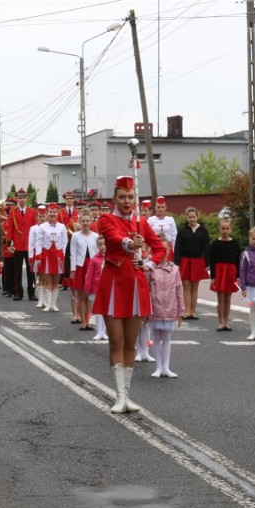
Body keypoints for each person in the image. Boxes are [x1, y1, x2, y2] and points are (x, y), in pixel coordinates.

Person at [93, 176, 166, 414]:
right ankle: (119, 396)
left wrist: (149, 265)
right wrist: (129, 243)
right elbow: (112, 237)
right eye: (122, 197)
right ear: (114, 198)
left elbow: (161, 248)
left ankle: (127, 394)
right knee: (116, 341)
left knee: (131, 343)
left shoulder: (141, 223)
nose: (126, 201)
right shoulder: (106, 219)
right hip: (113, 284)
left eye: (130, 197)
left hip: (135, 285)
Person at [148, 235, 184, 378]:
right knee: (156, 338)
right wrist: (145, 311)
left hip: (170, 307)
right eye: (159, 249)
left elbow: (179, 290)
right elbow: (146, 290)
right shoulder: (150, 269)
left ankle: (166, 367)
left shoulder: (174, 269)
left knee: (167, 338)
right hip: (155, 308)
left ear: (169, 251)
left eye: (165, 249)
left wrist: (181, 311)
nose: (162, 252)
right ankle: (158, 367)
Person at [173, 207, 211, 320]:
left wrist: (208, 263)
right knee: (186, 286)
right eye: (189, 217)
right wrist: (177, 263)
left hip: (198, 261)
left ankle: (193, 312)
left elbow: (207, 247)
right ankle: (187, 311)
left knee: (195, 286)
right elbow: (178, 247)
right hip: (185, 260)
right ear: (187, 218)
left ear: (197, 217)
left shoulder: (203, 230)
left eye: (194, 217)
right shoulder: (182, 230)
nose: (192, 219)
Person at [209, 218, 241, 331]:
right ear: (219, 229)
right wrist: (212, 277)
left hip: (231, 271)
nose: (225, 231)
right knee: (220, 298)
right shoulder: (215, 243)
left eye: (227, 228)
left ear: (230, 229)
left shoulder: (235, 243)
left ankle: (226, 322)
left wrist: (238, 276)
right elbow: (212, 261)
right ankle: (220, 322)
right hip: (219, 271)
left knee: (228, 298)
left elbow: (238, 261)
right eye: (223, 228)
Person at [69, 209, 99, 331]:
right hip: (80, 266)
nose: (85, 223)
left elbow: (98, 254)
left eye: (87, 221)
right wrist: (72, 270)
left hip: (92, 266)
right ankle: (83, 322)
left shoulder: (96, 236)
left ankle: (89, 320)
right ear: (80, 222)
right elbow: (73, 253)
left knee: (90, 296)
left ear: (91, 222)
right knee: (81, 296)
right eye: (83, 221)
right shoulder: (75, 236)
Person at [7, 188, 38, 302]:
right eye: (20, 198)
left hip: (29, 244)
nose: (22, 200)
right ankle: (18, 292)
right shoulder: (13, 211)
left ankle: (32, 292)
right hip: (18, 244)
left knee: (31, 269)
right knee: (17, 270)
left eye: (23, 197)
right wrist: (9, 243)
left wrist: (35, 243)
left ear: (26, 198)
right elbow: (10, 228)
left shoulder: (32, 212)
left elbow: (35, 228)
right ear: (17, 199)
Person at [36, 203, 68, 312]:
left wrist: (64, 256)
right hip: (46, 255)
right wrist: (39, 256)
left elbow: (64, 242)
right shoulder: (42, 227)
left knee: (56, 280)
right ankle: (48, 304)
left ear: (57, 213)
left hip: (58, 255)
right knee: (48, 280)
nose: (52, 214)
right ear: (47, 213)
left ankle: (54, 304)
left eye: (54, 212)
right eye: (50, 212)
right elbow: (39, 241)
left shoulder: (62, 227)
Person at [84, 236, 108, 341]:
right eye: (100, 244)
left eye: (104, 244)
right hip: (96, 288)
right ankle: (99, 332)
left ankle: (105, 331)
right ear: (97, 246)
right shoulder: (94, 259)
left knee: (106, 311)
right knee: (98, 311)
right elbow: (89, 275)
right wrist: (87, 288)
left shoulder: (111, 258)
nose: (103, 247)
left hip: (108, 288)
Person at [28, 205, 47, 309]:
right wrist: (31, 257)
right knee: (39, 276)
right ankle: (41, 299)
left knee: (47, 277)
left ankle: (47, 300)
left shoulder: (49, 227)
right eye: (40, 216)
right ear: (37, 217)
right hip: (37, 254)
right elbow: (31, 243)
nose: (42, 218)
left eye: (44, 216)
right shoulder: (33, 228)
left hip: (47, 254)